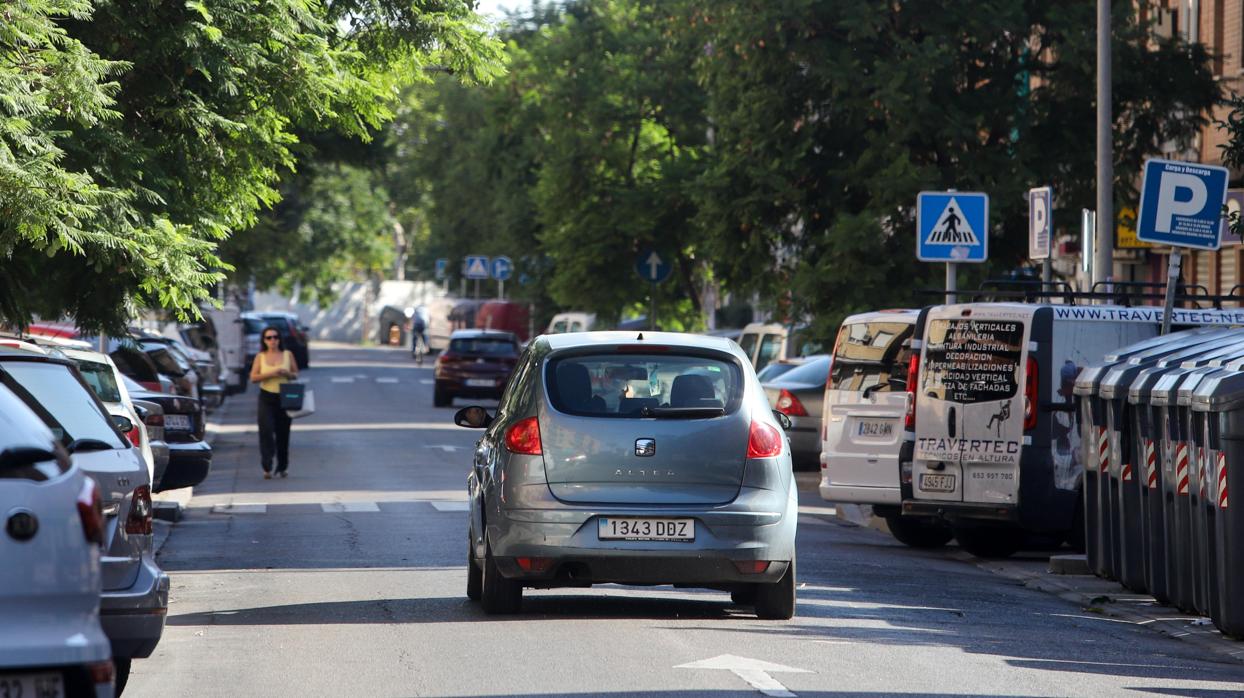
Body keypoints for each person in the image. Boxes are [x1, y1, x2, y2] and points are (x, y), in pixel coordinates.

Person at [250, 325, 298, 479]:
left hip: (284, 397)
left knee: (283, 434)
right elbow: (253, 378)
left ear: (279, 339)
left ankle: (283, 466)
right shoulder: (260, 357)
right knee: (266, 431)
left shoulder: (287, 354)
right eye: (269, 338)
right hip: (266, 397)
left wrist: (287, 373)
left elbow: (296, 374)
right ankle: (267, 466)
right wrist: (271, 373)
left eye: (275, 337)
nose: (272, 340)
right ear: (264, 340)